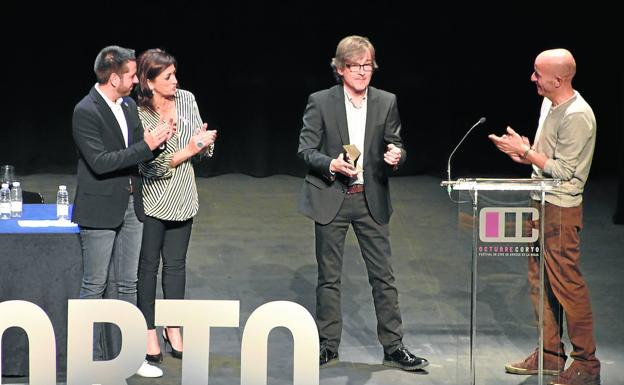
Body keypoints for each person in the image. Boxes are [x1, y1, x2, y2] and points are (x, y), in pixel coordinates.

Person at [297, 35, 429, 372]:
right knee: (329, 277)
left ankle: (394, 347)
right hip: (333, 198)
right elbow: (306, 150)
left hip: (371, 200)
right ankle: (328, 346)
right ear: (340, 69)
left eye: (367, 65)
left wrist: (396, 155)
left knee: (383, 277)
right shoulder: (321, 101)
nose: (361, 72)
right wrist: (331, 164)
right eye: (354, 66)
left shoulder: (386, 101)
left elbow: (395, 144)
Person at [489, 48, 600, 385]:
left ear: (558, 79)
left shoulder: (578, 115)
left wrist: (527, 152)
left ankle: (587, 365)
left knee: (568, 285)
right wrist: (524, 152)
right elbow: (545, 160)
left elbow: (564, 172)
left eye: (538, 74)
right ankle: (550, 355)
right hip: (539, 202)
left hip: (561, 210)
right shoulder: (548, 104)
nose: (532, 78)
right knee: (540, 283)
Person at [72, 45, 170, 378]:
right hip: (100, 206)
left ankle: (128, 357)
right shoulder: (85, 111)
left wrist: (159, 142)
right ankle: (90, 360)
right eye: (130, 75)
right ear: (114, 78)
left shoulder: (127, 105)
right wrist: (147, 145)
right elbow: (100, 163)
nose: (135, 80)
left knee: (128, 285)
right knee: (95, 285)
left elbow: (137, 154)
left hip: (132, 204)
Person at [135, 48, 217, 369]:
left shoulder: (186, 99)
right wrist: (188, 150)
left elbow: (201, 150)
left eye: (175, 74)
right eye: (167, 77)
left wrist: (204, 142)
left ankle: (173, 326)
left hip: (183, 195)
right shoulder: (139, 112)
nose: (175, 81)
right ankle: (148, 330)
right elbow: (149, 167)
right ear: (150, 82)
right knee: (148, 267)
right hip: (154, 199)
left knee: (176, 266)